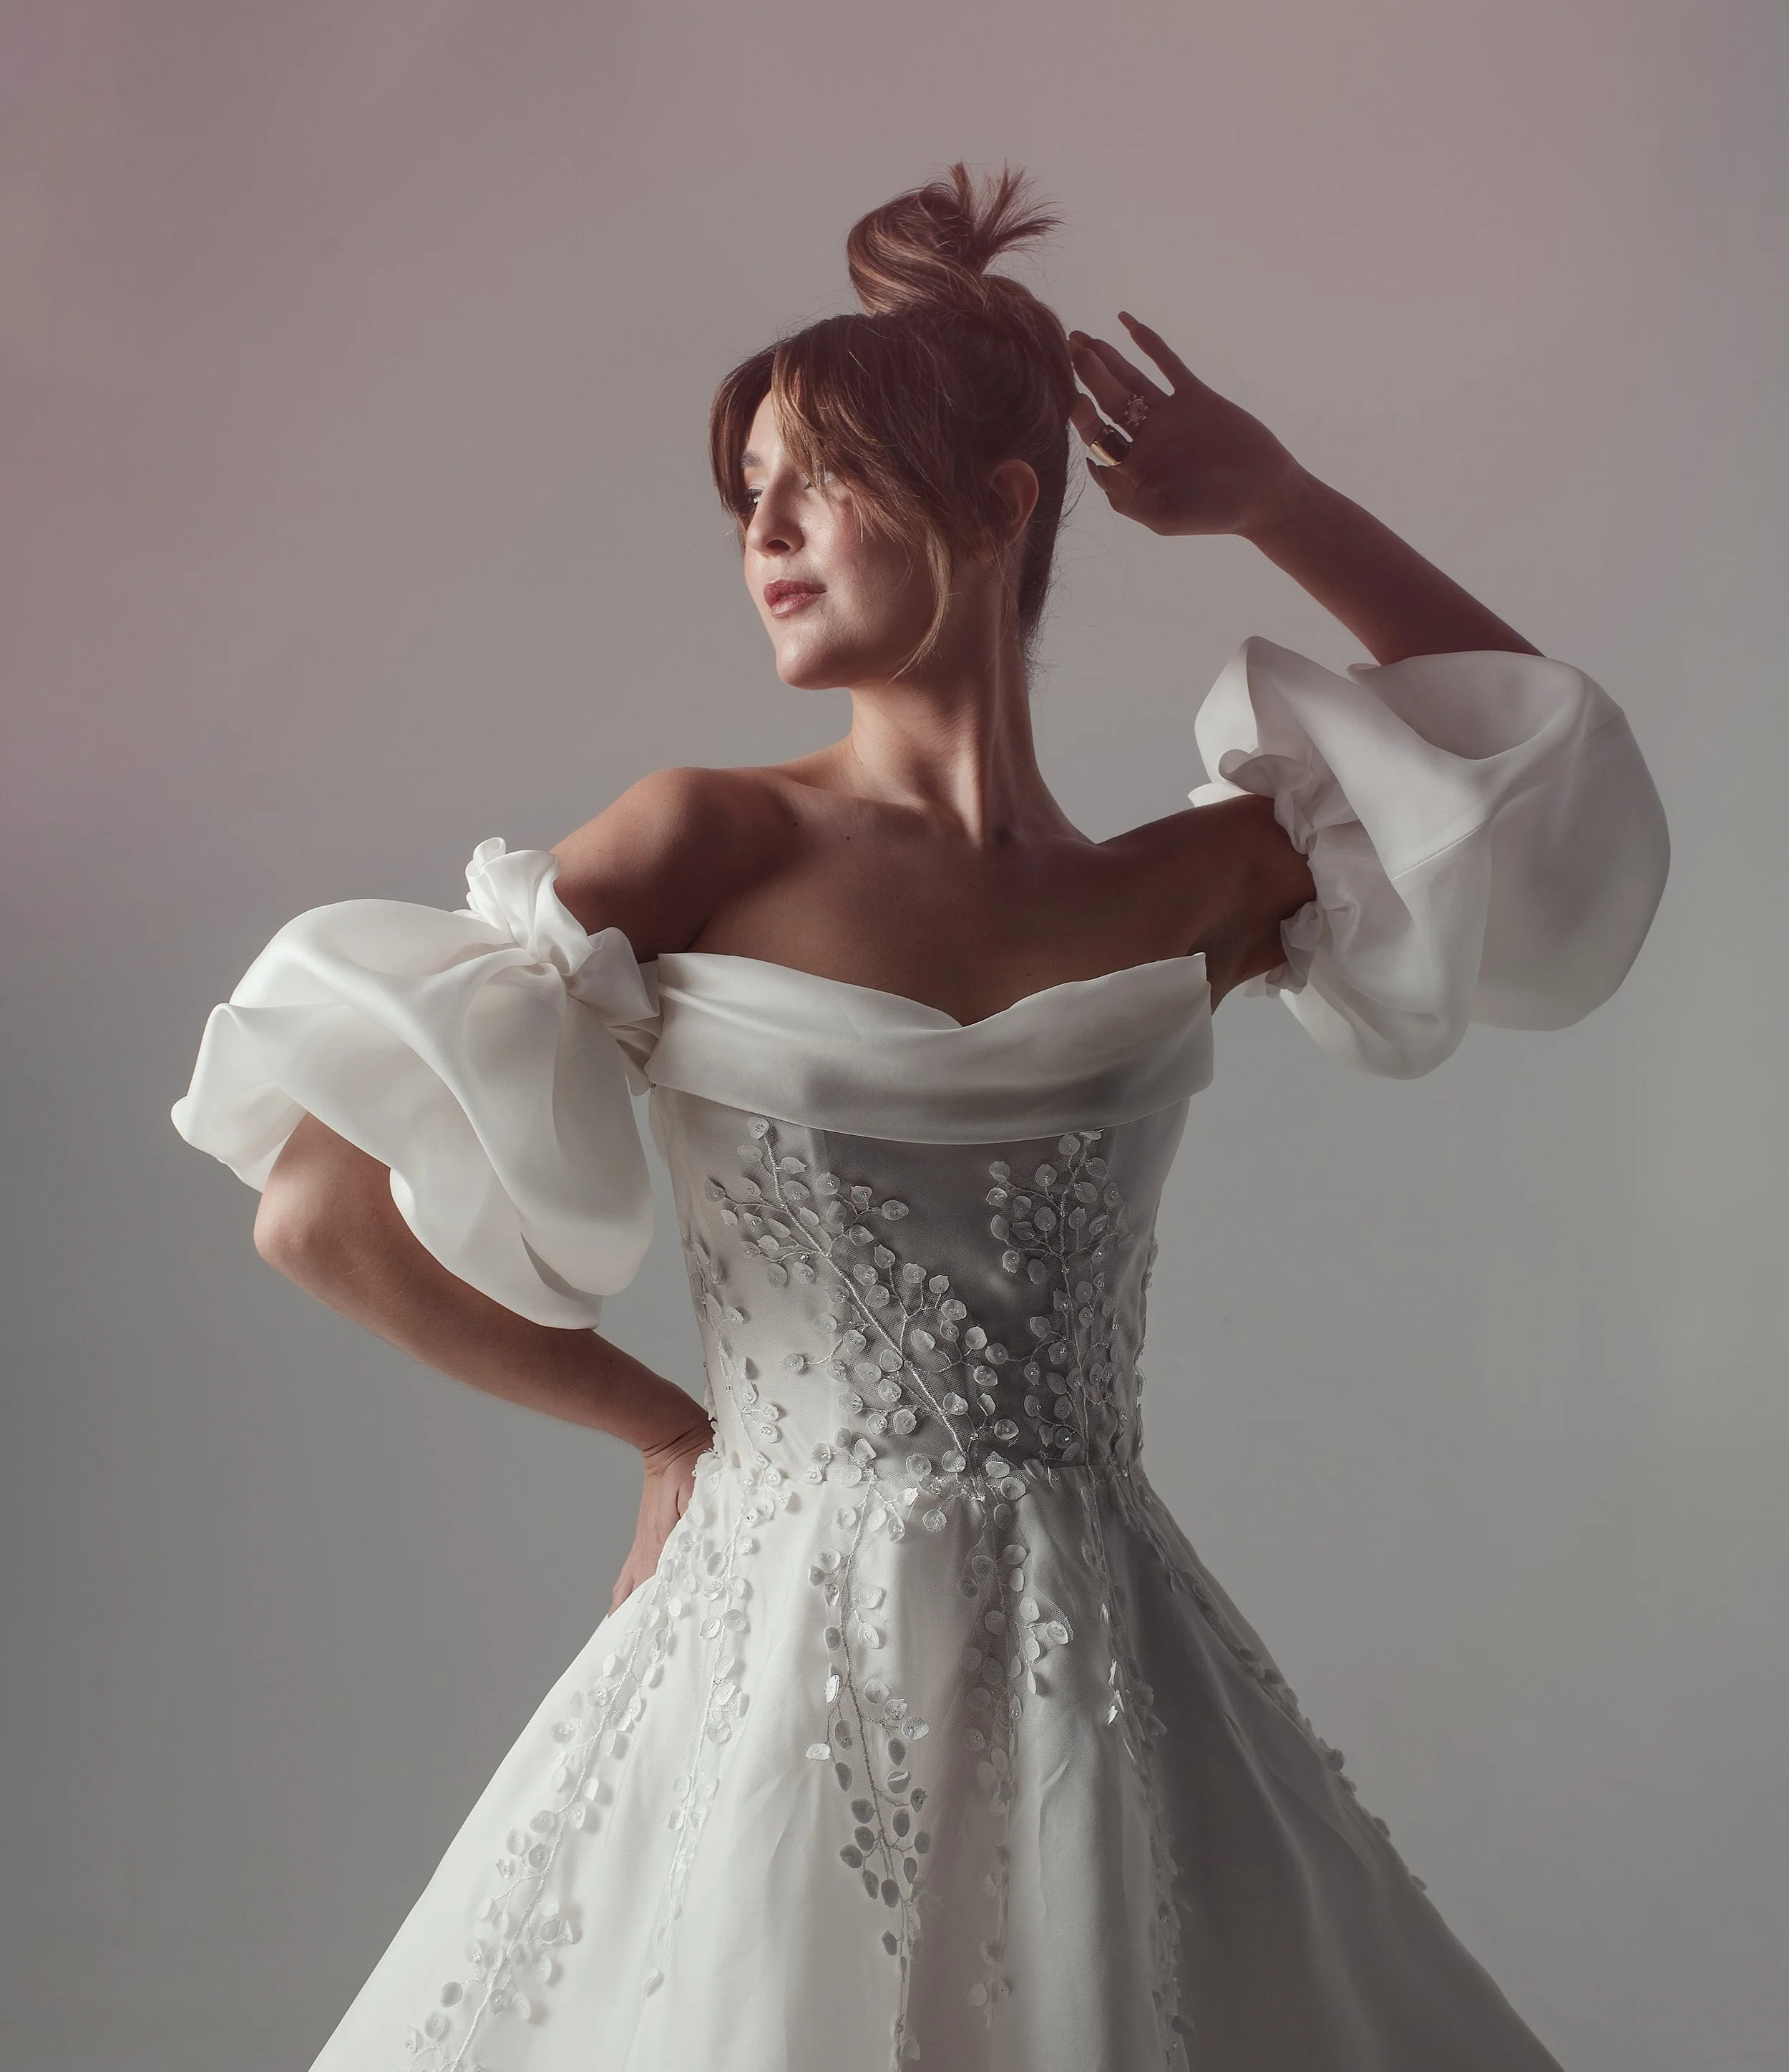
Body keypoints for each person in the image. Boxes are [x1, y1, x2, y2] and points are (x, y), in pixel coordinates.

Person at [172, 163, 1669, 2071]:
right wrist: (659, 1433)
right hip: (763, 1671)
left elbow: (1531, 788)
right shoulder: (705, 834)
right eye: (746, 497)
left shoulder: (1200, 879)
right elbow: (315, 1209)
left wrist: (1277, 502)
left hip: (1097, 1678)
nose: (762, 533)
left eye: (813, 481)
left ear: (995, 505)